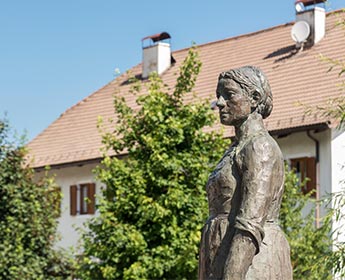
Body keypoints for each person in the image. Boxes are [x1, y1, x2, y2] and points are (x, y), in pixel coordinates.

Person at [198, 66, 292, 280]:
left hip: (250, 261)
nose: (220, 102)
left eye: (229, 95)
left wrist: (232, 275)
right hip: (222, 252)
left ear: (255, 98)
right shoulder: (235, 149)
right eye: (218, 96)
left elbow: (250, 224)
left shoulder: (260, 147)